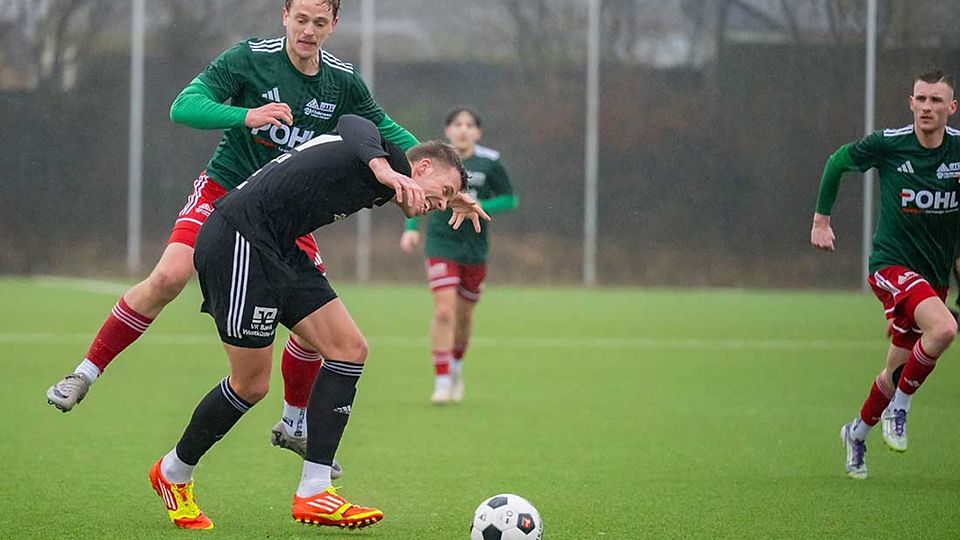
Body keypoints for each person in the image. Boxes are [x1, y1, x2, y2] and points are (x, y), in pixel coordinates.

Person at [46, 0, 418, 464]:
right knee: (168, 277)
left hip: (283, 215)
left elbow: (386, 129)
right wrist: (246, 115)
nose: (308, 30)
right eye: (301, 19)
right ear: (285, 15)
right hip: (222, 193)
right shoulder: (251, 58)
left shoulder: (341, 80)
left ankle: (294, 423)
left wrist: (440, 172)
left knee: (316, 321)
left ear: (334, 25)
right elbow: (184, 107)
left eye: (319, 23)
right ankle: (85, 372)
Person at [149, 114, 487, 530]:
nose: (440, 203)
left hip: (279, 248)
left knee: (349, 349)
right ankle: (173, 472)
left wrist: (451, 198)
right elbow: (353, 121)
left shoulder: (396, 180)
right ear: (422, 168)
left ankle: (315, 491)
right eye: (444, 190)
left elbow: (417, 186)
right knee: (251, 385)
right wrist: (381, 165)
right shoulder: (379, 155)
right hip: (239, 238)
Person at [811, 69, 960, 480]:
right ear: (911, 102)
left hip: (933, 278)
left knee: (895, 371)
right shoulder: (890, 144)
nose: (927, 107)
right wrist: (821, 220)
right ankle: (901, 410)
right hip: (891, 267)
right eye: (920, 99)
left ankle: (856, 433)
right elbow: (837, 160)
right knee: (945, 330)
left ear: (952, 107)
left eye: (936, 100)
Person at [400, 106, 518, 403]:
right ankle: (441, 381)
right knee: (443, 310)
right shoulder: (436, 162)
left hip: (474, 249)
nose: (463, 129)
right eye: (457, 124)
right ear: (447, 130)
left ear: (478, 132)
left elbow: (510, 198)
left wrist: (478, 207)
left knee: (464, 316)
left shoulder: (490, 162)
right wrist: (411, 226)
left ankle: (455, 369)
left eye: (469, 125)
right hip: (440, 244)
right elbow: (414, 188)